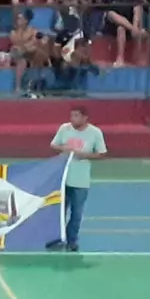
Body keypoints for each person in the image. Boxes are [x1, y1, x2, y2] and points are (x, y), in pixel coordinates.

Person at [47, 107, 106, 253]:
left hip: (80, 181)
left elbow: (101, 153)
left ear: (85, 118)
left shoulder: (95, 133)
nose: (73, 119)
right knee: (59, 212)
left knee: (76, 213)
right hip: (62, 179)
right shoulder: (64, 129)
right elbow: (53, 144)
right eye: (72, 116)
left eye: (76, 116)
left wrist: (84, 155)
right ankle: (57, 238)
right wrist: (64, 148)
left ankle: (72, 240)